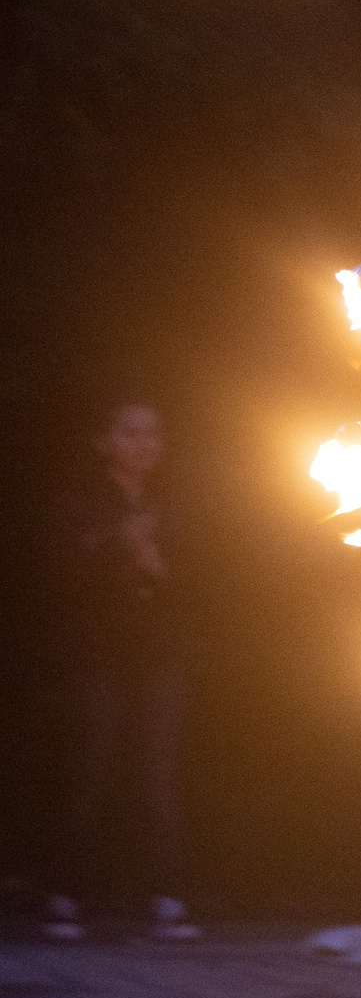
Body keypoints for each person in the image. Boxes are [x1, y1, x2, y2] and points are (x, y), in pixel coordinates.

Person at [45, 399, 201, 944]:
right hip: (100, 653)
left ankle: (166, 897)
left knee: (159, 776)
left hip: (159, 654)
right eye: (129, 433)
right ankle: (66, 893)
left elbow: (198, 580)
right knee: (91, 769)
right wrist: (117, 545)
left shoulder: (172, 504)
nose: (142, 444)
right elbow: (61, 572)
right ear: (105, 441)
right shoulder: (83, 503)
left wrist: (157, 564)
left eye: (151, 434)